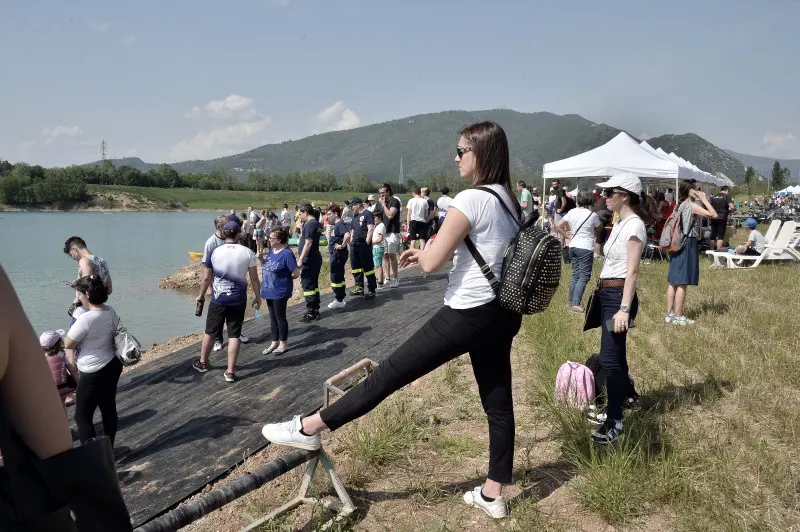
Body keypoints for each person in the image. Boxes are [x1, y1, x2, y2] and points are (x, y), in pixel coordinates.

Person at [262, 121, 524, 519]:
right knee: (498, 403)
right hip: (502, 313)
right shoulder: (509, 200)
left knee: (388, 374)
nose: (455, 158)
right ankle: (493, 493)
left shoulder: (471, 199)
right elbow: (481, 252)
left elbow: (434, 262)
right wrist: (427, 253)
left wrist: (426, 253)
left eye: (460, 151)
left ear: (481, 154)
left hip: (467, 311)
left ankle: (310, 427)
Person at [589, 172, 658, 444]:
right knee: (616, 354)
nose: (604, 197)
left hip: (619, 296)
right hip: (608, 294)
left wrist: (624, 309)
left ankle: (615, 420)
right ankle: (626, 395)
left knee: (609, 359)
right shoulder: (619, 223)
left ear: (624, 196)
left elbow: (632, 272)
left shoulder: (634, 226)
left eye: (609, 193)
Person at [194, 221, 261, 382]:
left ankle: (203, 363)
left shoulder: (215, 251)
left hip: (219, 299)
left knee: (210, 331)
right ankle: (230, 372)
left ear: (224, 233)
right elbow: (254, 278)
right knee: (234, 334)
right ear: (238, 234)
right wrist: (258, 297)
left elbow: (206, 277)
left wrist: (200, 295)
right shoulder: (248, 252)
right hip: (238, 300)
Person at [63, 275, 123, 445]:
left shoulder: (86, 319)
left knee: (82, 415)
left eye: (79, 294)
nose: (78, 297)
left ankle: (92, 455)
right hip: (112, 364)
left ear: (87, 295)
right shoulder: (110, 311)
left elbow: (68, 343)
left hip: (92, 371)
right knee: (108, 408)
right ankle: (108, 448)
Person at [665, 182, 718, 326]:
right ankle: (678, 315)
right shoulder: (692, 206)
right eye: (698, 189)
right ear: (690, 191)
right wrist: (705, 200)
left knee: (673, 281)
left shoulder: (679, 205)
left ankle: (669, 314)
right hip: (688, 243)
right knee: (683, 281)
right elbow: (714, 214)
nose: (700, 191)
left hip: (677, 243)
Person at [557, 190, 601, 311]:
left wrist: (566, 235)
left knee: (575, 275)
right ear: (591, 200)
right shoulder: (592, 215)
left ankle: (571, 302)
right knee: (584, 276)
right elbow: (599, 227)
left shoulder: (572, 212)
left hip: (573, 245)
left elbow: (558, 225)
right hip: (585, 247)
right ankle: (576, 303)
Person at [258, 227, 300, 355]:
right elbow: (267, 266)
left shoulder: (287, 253)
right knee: (272, 317)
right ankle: (274, 342)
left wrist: (286, 278)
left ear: (280, 239)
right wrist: (261, 259)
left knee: (280, 317)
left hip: (280, 290)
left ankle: (283, 343)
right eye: (269, 237)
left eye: (271, 238)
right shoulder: (272, 250)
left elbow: (296, 272)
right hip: (269, 289)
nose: (269, 240)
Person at [64, 236, 113, 318]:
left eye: (70, 254)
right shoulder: (102, 261)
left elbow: (87, 286)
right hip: (100, 307)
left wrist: (76, 301)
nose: (72, 257)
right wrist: (76, 285)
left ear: (74, 249)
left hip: (84, 310)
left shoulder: (84, 260)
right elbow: (109, 290)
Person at [297, 204, 324, 322]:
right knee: (313, 285)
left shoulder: (310, 224)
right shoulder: (317, 223)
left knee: (308, 285)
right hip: (315, 257)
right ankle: (315, 309)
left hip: (309, 259)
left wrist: (301, 259)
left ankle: (310, 312)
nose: (299, 216)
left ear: (305, 212)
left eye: (300, 213)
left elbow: (308, 243)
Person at [40, 330, 76, 409]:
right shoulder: (62, 354)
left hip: (50, 389)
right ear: (59, 342)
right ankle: (69, 397)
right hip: (64, 387)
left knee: (59, 407)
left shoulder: (40, 357)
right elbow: (72, 369)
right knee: (69, 392)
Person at [349, 197, 377, 299]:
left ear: (357, 204)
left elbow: (371, 229)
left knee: (368, 267)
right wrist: (351, 242)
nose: (351, 208)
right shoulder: (355, 216)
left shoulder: (367, 214)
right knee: (355, 267)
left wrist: (366, 243)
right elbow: (352, 231)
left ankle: (372, 289)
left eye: (352, 206)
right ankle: (359, 287)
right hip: (354, 245)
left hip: (363, 244)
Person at [326, 204, 350, 309]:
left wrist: (342, 245)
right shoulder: (337, 224)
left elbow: (347, 235)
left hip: (338, 255)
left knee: (335, 276)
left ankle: (339, 299)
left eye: (330, 214)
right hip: (337, 254)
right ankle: (340, 297)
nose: (328, 216)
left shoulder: (339, 223)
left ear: (336, 214)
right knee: (339, 275)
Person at [379, 183, 402, 289]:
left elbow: (390, 215)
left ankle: (395, 278)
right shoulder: (382, 202)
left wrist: (383, 205)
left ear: (388, 192)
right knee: (384, 255)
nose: (381, 195)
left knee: (392, 255)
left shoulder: (394, 201)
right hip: (384, 232)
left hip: (392, 232)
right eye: (380, 193)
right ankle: (387, 278)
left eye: (383, 193)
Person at [709, 186, 735, 250]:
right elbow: (732, 207)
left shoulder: (714, 196)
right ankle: (718, 252)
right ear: (727, 190)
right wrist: (733, 209)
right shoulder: (726, 196)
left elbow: (709, 206)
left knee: (713, 236)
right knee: (720, 237)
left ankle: (711, 251)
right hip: (722, 217)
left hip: (713, 217)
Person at [371, 210, 386, 287]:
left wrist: (372, 242)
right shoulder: (378, 226)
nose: (373, 219)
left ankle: (380, 282)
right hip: (377, 247)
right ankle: (380, 280)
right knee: (378, 264)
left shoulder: (381, 226)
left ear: (379, 217)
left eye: (374, 217)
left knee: (378, 265)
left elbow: (380, 239)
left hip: (378, 247)